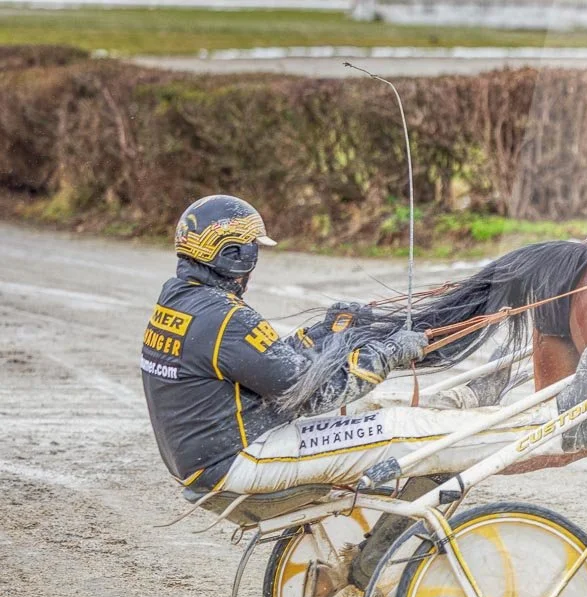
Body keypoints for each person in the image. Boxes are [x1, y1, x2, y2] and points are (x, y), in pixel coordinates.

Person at [141, 195, 552, 500]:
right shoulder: (227, 317)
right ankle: (545, 424)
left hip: (216, 450)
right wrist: (389, 352)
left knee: (375, 410)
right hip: (236, 460)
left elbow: (266, 364)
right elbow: (313, 394)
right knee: (396, 430)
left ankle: (466, 400)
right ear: (235, 255)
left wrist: (324, 331)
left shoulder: (183, 300)